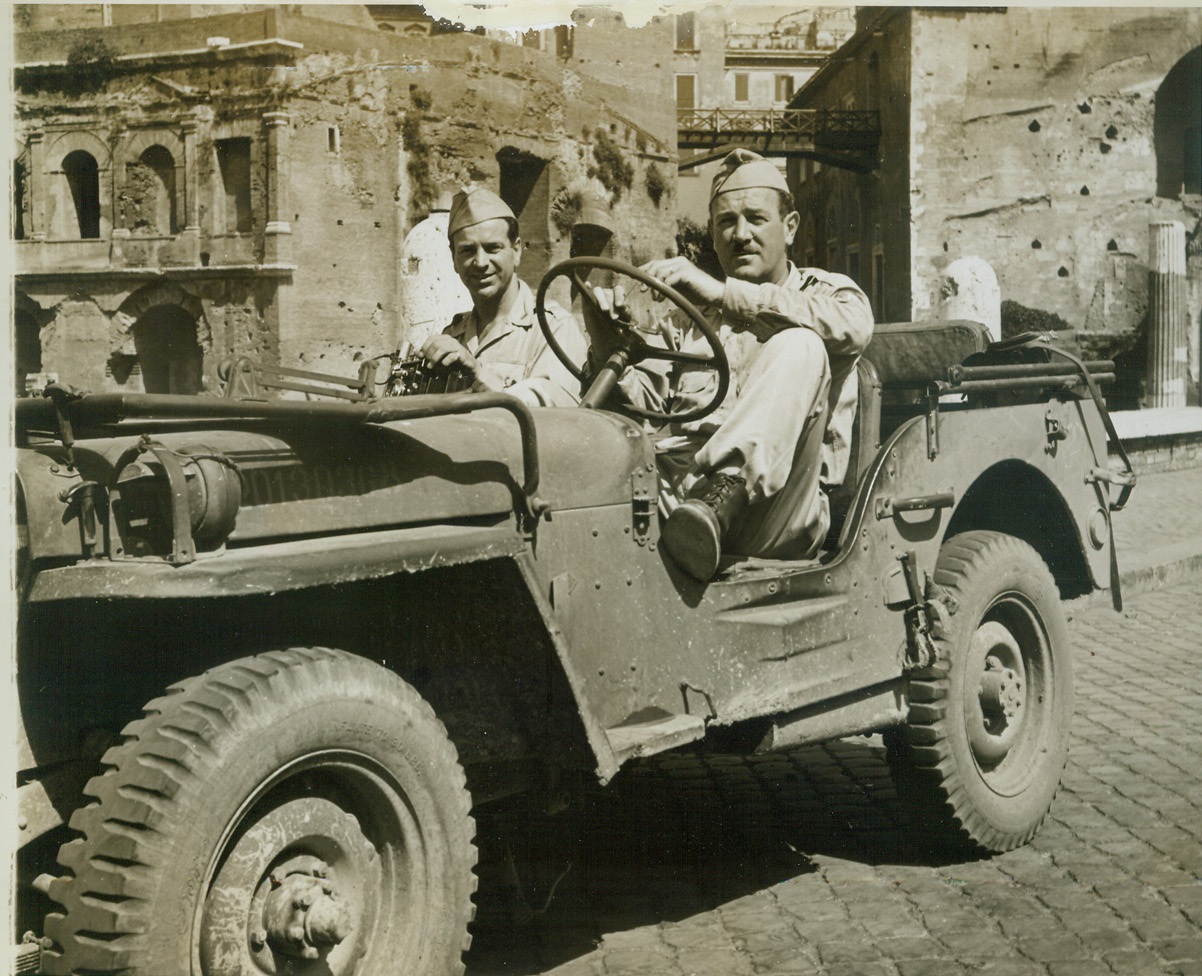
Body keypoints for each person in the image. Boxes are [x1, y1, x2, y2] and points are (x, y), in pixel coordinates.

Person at [581, 149, 874, 581]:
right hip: (680, 496)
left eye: (756, 219)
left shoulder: (826, 294)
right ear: (713, 237)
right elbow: (645, 407)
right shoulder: (686, 321)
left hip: (776, 510)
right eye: (726, 223)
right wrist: (608, 347)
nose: (740, 235)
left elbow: (855, 328)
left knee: (800, 344)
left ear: (789, 228)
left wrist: (724, 295)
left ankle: (725, 499)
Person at [420, 187, 586, 408]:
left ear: (516, 251)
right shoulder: (453, 335)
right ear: (454, 259)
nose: (480, 262)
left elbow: (558, 419)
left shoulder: (553, 328)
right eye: (468, 251)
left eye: (492, 248)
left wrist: (478, 373)